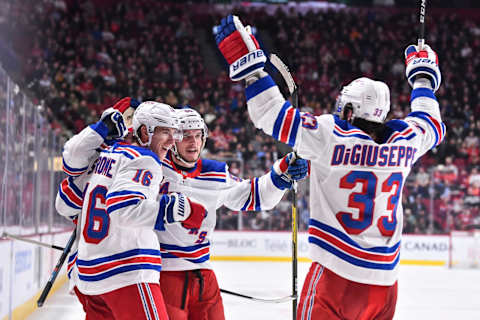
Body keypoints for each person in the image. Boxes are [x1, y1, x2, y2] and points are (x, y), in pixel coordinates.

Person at [215, 15, 445, 319]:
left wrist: (252, 68)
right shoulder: (406, 141)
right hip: (385, 285)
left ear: (348, 109)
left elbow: (269, 113)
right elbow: (431, 121)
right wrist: (423, 77)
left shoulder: (331, 135)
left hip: (336, 277)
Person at [56, 100, 207, 320]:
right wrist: (181, 209)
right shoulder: (144, 160)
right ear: (145, 132)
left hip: (90, 277)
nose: (171, 140)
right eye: (165, 132)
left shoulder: (105, 156)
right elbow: (124, 209)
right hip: (126, 272)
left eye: (174, 133)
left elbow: (64, 204)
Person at [157, 106, 309, 320]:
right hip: (163, 274)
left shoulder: (215, 173)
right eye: (186, 136)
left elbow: (254, 196)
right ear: (173, 139)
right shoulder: (153, 168)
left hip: (203, 275)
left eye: (198, 135)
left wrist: (281, 173)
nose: (193, 142)